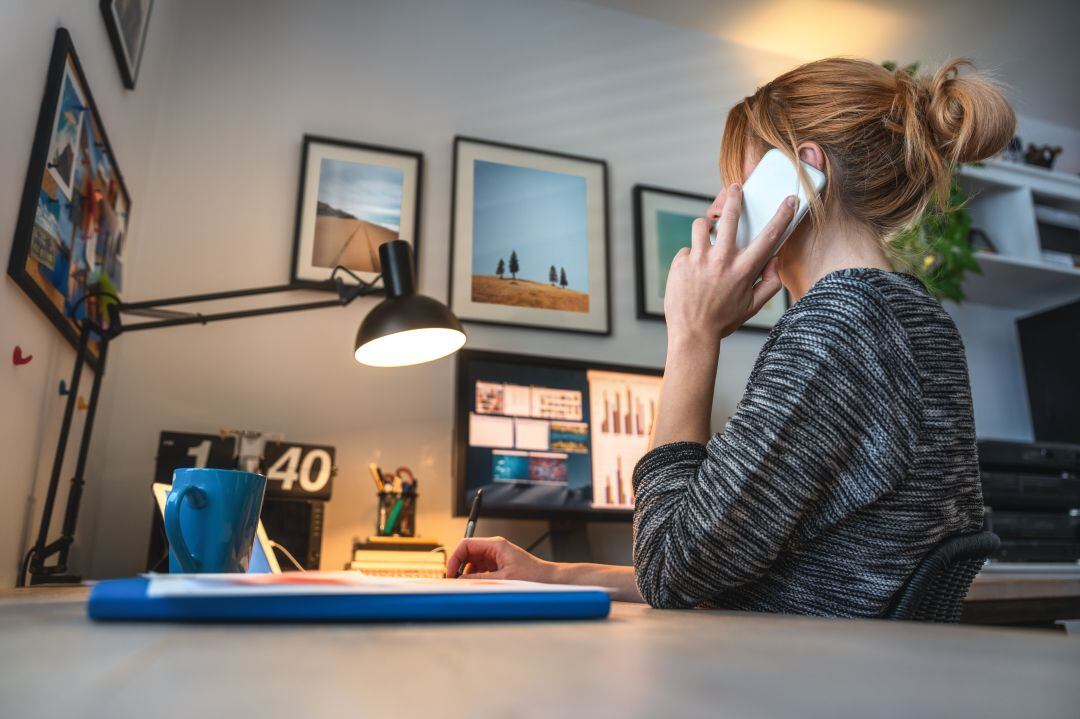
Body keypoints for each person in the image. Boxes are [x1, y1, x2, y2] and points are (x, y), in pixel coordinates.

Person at [447, 57, 1015, 617]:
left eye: (737, 182)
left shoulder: (839, 325)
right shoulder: (910, 316)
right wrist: (552, 574)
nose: (722, 205)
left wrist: (692, 334)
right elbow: (721, 563)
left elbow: (670, 572)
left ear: (802, 173)